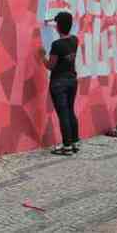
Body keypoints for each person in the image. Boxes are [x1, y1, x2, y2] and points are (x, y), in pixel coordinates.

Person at [37, 11, 80, 156]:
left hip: (58, 83)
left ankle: (66, 146)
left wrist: (42, 56)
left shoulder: (57, 45)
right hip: (72, 81)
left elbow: (50, 66)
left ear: (58, 27)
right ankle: (75, 142)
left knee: (63, 114)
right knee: (70, 111)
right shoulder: (75, 40)